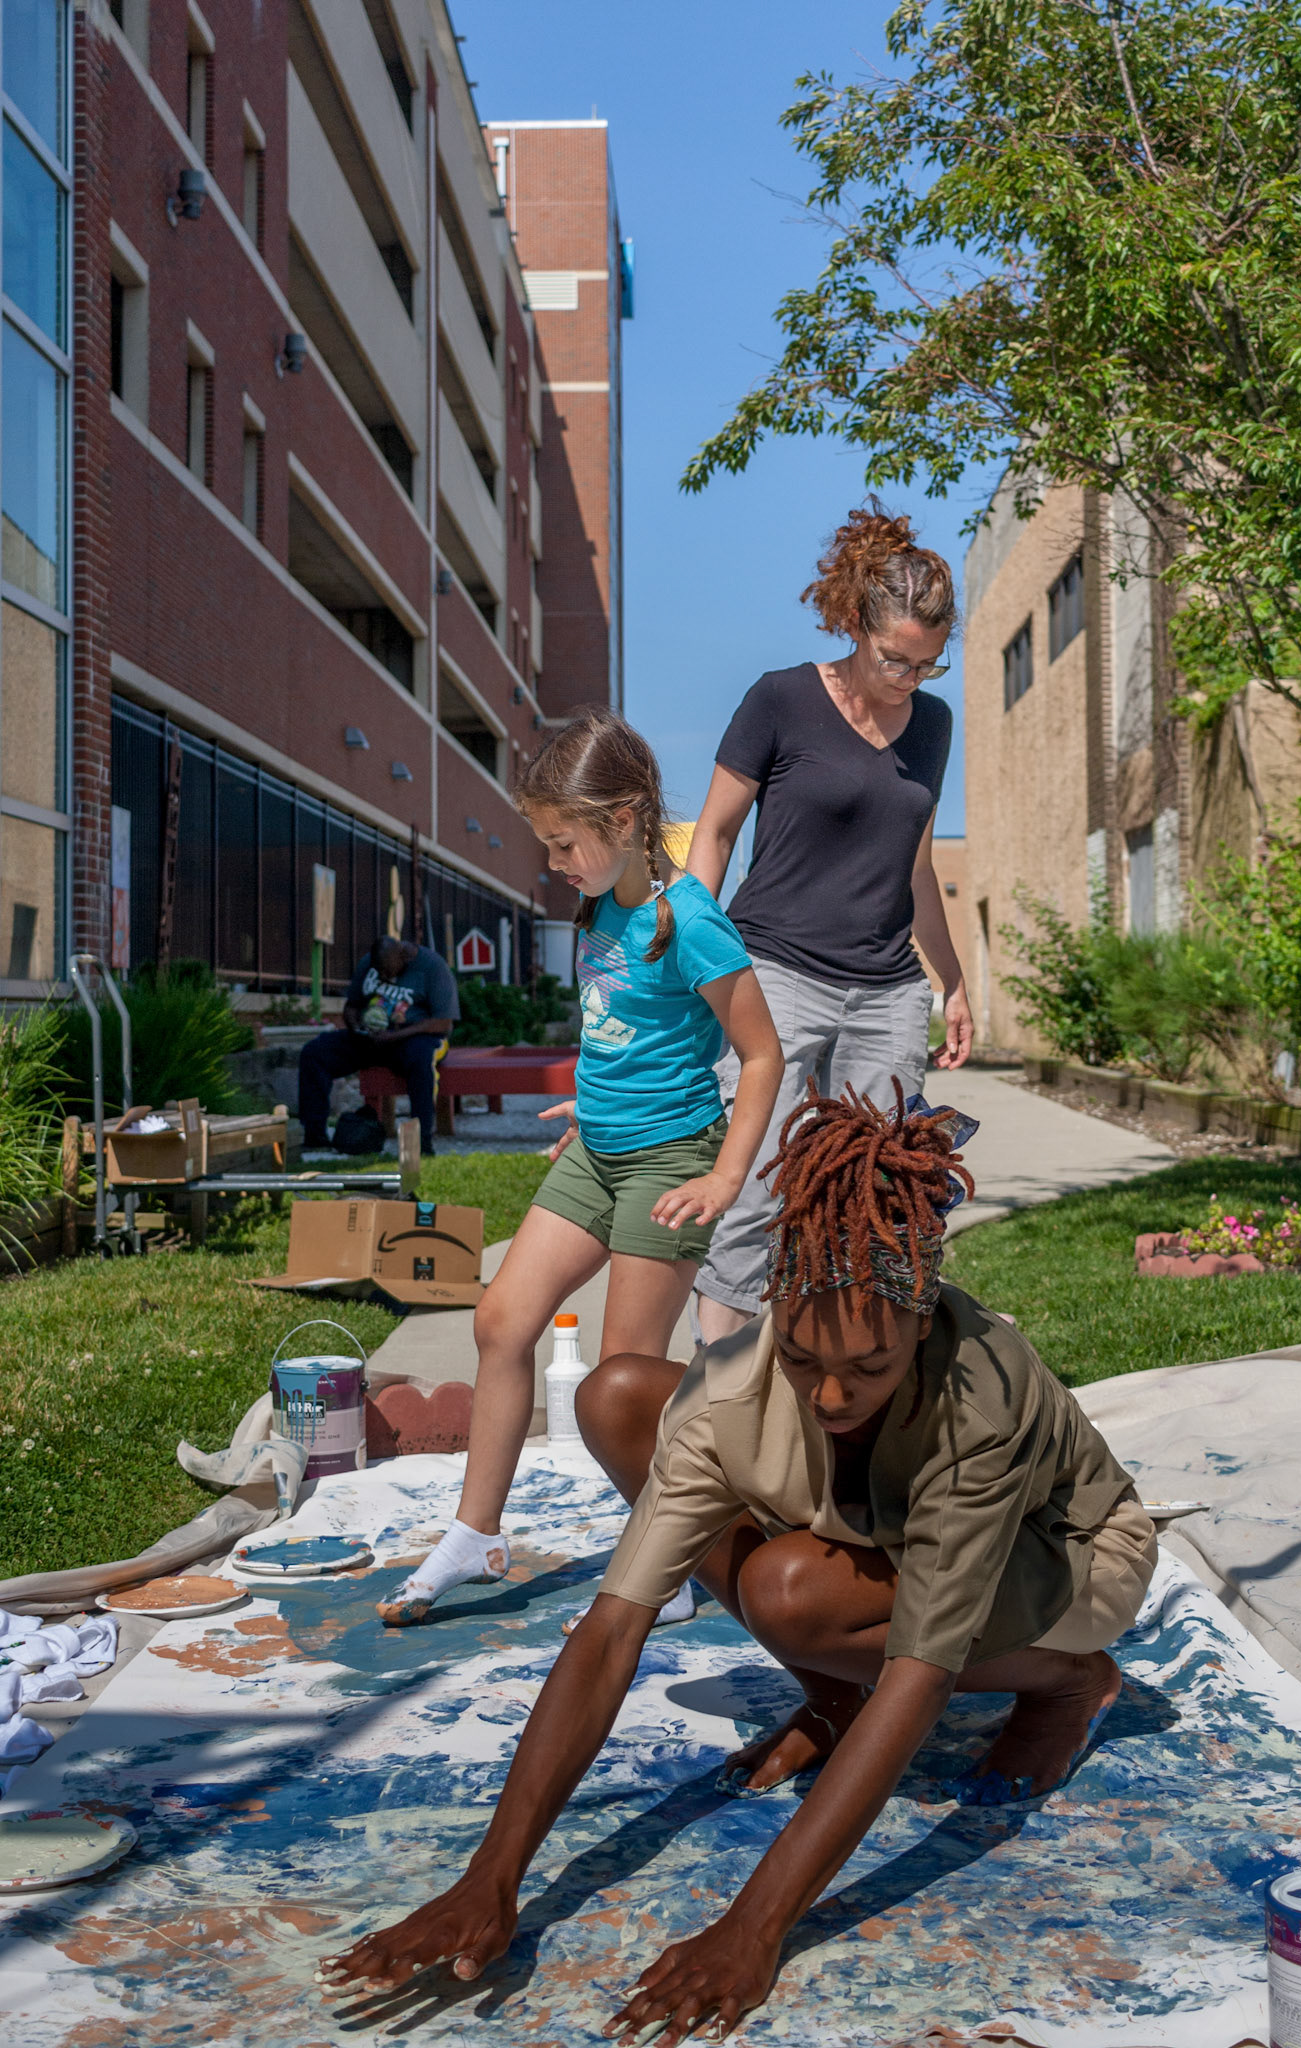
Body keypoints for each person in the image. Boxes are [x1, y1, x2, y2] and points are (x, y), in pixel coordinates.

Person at [323, 1084, 1157, 2041]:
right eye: (802, 1359)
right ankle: (834, 1693)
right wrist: (490, 1877)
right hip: (876, 1529)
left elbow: (919, 1676)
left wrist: (753, 1928)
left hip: (1062, 1554)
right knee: (622, 1396)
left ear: (920, 1326)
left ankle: (1067, 1683)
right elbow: (610, 1633)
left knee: (791, 1596)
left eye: (870, 1368)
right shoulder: (735, 1391)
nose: (833, 1394)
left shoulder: (980, 1400)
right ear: (772, 1311)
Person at [376, 708, 783, 1625]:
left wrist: (724, 1179)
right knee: (499, 1320)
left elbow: (761, 1055)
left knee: (619, 1382)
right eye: (547, 843)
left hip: (672, 1163)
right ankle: (477, 1534)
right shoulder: (598, 905)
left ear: (627, 817)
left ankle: (668, 1566)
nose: (554, 862)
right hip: (594, 1153)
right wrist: (590, 1107)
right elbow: (621, 1034)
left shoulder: (691, 922)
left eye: (564, 842)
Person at [689, 499, 975, 1348]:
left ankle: (848, 1379)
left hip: (887, 990)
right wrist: (689, 950)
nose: (907, 680)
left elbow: (917, 865)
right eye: (894, 659)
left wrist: (951, 982)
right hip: (773, 973)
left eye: (926, 665)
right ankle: (719, 1388)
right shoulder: (780, 701)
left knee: (880, 1194)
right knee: (758, 1188)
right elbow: (712, 834)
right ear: (854, 622)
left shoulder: (931, 724)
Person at [297, 933, 457, 1158]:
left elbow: (443, 1023)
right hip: (372, 1039)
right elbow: (351, 1006)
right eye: (379, 971)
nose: (383, 975)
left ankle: (421, 1144)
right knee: (315, 1053)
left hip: (416, 1037)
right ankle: (315, 1138)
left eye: (388, 971)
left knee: (421, 1060)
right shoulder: (370, 963)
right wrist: (356, 1028)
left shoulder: (433, 967)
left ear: (404, 957)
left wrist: (394, 1036)